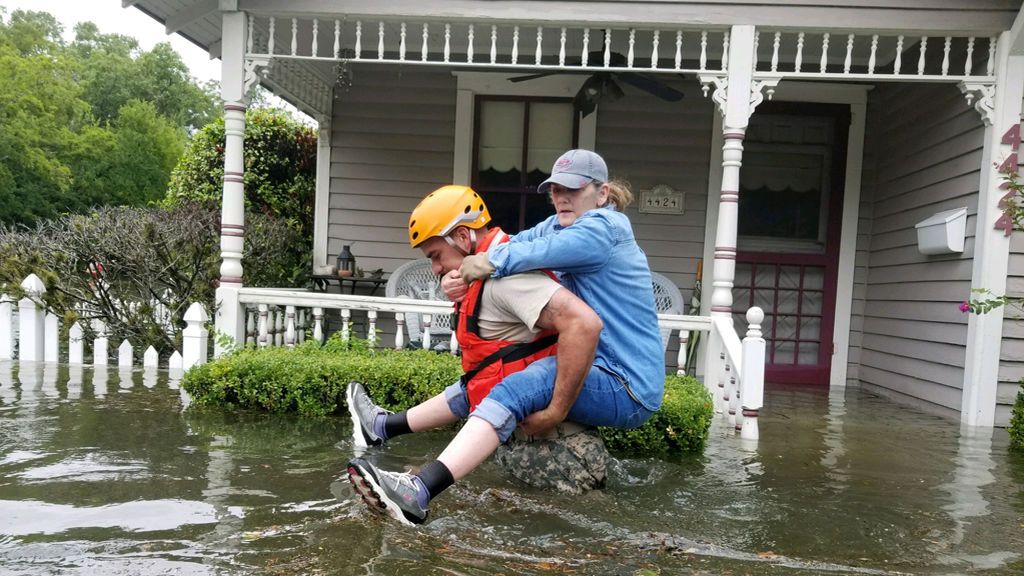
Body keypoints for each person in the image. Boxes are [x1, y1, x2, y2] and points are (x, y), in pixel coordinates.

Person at [346, 184, 604, 525]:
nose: (436, 268)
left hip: (561, 458)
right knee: (483, 377)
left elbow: (583, 324)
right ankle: (381, 428)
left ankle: (416, 489)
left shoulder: (510, 280)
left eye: (436, 255)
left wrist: (556, 411)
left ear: (464, 237)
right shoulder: (486, 274)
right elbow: (486, 374)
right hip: (531, 449)